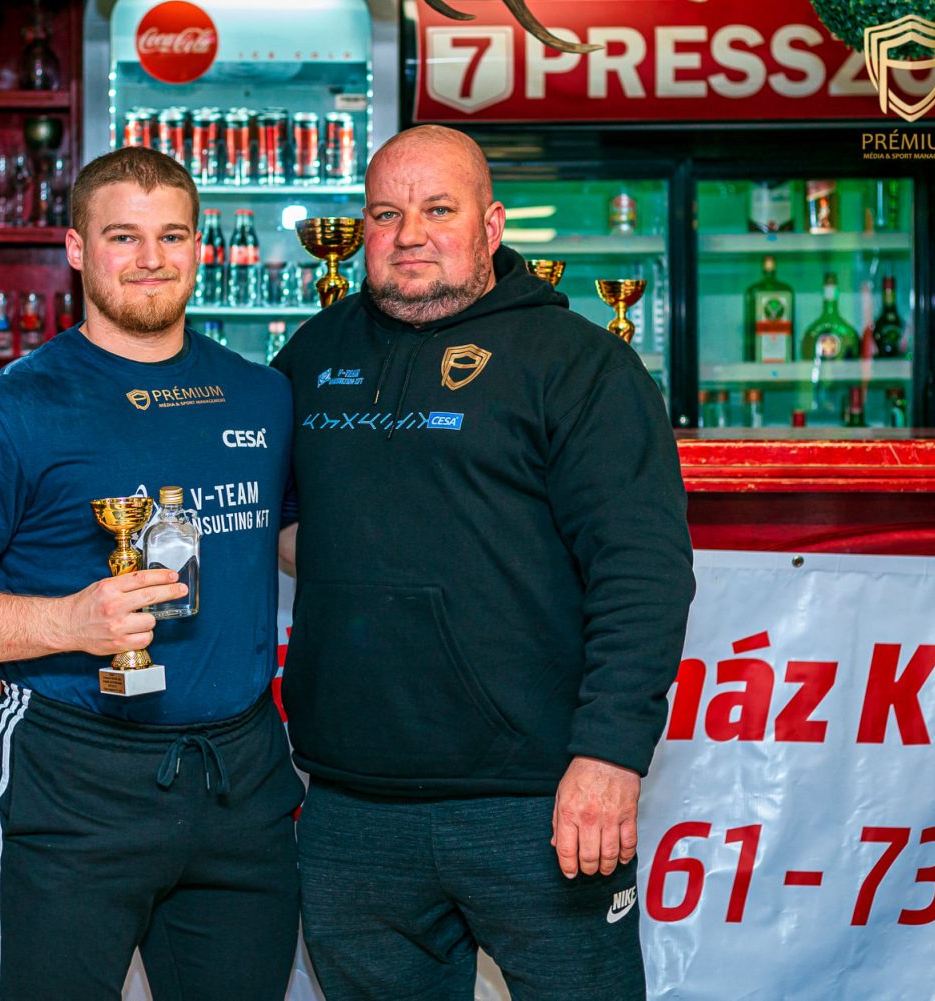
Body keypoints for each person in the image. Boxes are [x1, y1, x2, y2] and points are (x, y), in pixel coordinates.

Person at [271, 125, 695, 1000]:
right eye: (385, 214)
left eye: (439, 210)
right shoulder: (313, 355)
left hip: (539, 802)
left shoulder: (583, 365)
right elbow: (276, 519)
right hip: (353, 809)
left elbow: (643, 572)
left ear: (492, 226)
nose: (409, 235)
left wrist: (610, 757)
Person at [0, 146, 302, 1001]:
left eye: (172, 235)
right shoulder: (6, 409)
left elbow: (287, 537)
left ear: (199, 247)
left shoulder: (261, 394)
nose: (151, 258)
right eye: (123, 236)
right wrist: (67, 623)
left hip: (242, 781)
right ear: (76, 248)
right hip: (71, 779)